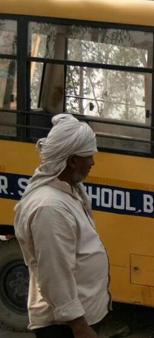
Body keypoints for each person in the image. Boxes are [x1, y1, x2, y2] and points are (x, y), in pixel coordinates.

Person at [14, 114, 110, 338]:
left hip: (81, 319)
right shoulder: (50, 208)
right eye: (89, 156)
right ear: (73, 160)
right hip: (66, 328)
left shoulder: (68, 193)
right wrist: (80, 326)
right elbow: (55, 273)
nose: (93, 163)